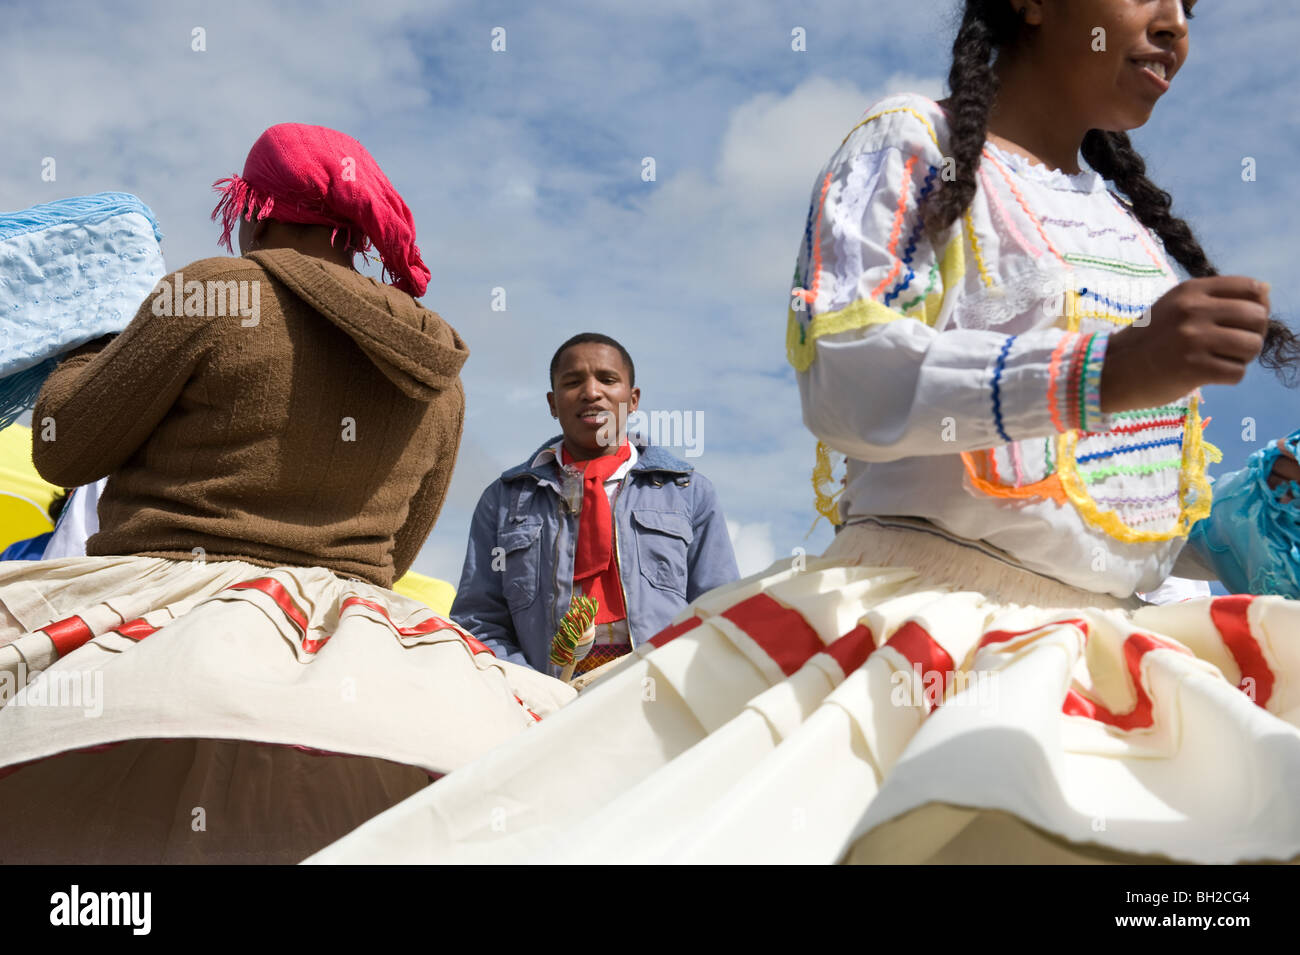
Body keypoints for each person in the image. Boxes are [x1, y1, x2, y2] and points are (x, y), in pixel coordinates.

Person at [311, 0, 1300, 865]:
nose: (1174, 22)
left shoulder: (1134, 236)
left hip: (1107, 654)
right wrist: (1108, 368)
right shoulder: (913, 147)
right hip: (922, 641)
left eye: (1195, 4)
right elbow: (845, 373)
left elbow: (1122, 504)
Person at [0, 123, 571, 863]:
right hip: (356, 653)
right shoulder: (439, 370)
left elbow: (64, 447)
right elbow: (396, 553)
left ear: (254, 211)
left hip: (157, 615)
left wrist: (89, 344)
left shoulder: (215, 290)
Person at [451, 332, 739, 679]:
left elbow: (720, 609)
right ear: (552, 403)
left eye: (608, 379)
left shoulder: (688, 492)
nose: (591, 392)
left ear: (633, 399)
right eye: (572, 382)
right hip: (545, 700)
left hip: (660, 692)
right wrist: (532, 689)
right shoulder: (503, 500)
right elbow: (478, 621)